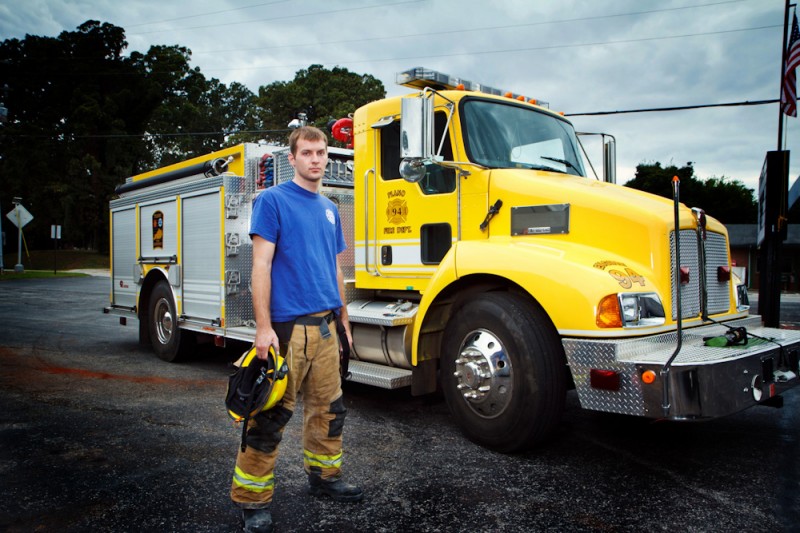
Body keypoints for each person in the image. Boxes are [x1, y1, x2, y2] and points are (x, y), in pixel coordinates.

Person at [231, 126, 362, 533]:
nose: (316, 159)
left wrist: (343, 318)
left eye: (321, 152)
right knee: (268, 418)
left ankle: (325, 478)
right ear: (293, 159)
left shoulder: (328, 207)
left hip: (324, 329)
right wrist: (264, 328)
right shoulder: (272, 201)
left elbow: (334, 267)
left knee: (329, 411)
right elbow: (261, 267)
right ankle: (253, 500)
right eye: (307, 152)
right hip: (287, 331)